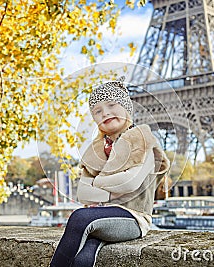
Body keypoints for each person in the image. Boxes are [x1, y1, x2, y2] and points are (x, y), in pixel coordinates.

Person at [49, 76, 170, 267]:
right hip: (101, 218)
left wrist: (97, 182)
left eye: (112, 105)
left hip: (134, 218)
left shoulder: (144, 141)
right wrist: (114, 186)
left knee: (80, 217)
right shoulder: (95, 151)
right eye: (97, 111)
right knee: (83, 256)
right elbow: (83, 194)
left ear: (126, 108)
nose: (105, 113)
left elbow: (131, 183)